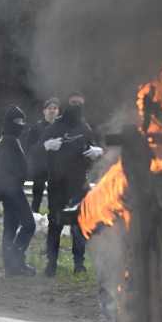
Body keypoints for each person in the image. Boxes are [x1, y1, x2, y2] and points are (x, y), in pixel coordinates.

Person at [42, 96, 104, 277]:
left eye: (80, 105)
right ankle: (51, 263)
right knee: (55, 222)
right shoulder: (54, 127)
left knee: (80, 223)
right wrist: (46, 146)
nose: (77, 109)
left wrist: (97, 151)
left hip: (79, 183)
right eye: (74, 105)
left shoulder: (84, 127)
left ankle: (79, 263)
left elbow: (95, 146)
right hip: (57, 183)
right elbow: (36, 152)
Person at [0, 106, 36, 276]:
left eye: (22, 121)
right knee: (29, 224)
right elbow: (7, 169)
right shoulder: (9, 140)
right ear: (10, 123)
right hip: (13, 190)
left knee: (10, 227)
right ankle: (15, 260)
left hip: (10, 189)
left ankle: (11, 265)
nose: (21, 124)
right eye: (17, 121)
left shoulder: (8, 140)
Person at [22, 97, 60, 214]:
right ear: (44, 111)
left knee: (56, 197)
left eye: (55, 108)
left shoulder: (61, 128)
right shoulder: (36, 128)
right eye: (49, 108)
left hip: (57, 168)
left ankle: (55, 220)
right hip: (40, 167)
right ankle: (34, 218)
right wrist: (44, 146)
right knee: (37, 195)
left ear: (58, 111)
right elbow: (28, 148)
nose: (52, 111)